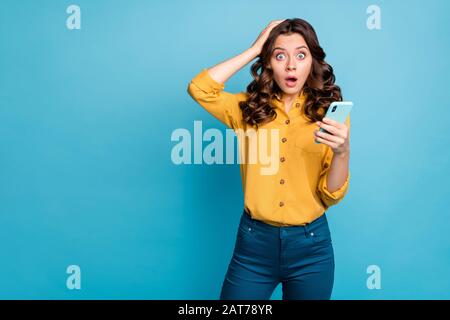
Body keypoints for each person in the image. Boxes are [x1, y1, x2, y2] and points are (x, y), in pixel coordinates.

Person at [187, 18, 351, 300]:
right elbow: (200, 89)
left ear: (312, 61)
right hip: (253, 246)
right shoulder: (247, 109)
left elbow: (331, 194)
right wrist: (253, 49)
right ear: (269, 63)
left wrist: (342, 152)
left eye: (301, 55)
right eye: (279, 55)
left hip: (311, 248)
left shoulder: (329, 113)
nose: (291, 65)